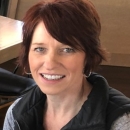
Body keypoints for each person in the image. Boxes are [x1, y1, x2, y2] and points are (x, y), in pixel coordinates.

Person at [3, 0, 130, 130]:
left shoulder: (122, 124)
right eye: (40, 49)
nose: (50, 63)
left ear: (89, 55)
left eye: (67, 50)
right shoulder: (16, 113)